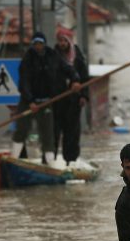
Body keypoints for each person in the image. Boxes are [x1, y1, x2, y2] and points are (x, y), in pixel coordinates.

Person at [12, 31, 83, 165]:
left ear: (44, 44)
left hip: (47, 101)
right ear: (33, 45)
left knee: (48, 134)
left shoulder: (53, 55)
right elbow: (24, 82)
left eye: (40, 43)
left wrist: (75, 80)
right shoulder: (27, 59)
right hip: (28, 102)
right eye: (36, 44)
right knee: (21, 129)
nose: (38, 46)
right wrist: (30, 101)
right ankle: (14, 159)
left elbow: (68, 69)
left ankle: (49, 164)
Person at [52, 28, 90, 167]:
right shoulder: (53, 56)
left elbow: (85, 78)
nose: (62, 43)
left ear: (69, 41)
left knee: (72, 132)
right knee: (54, 132)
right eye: (60, 40)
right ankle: (52, 160)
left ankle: (71, 161)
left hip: (73, 101)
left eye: (64, 40)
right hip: (57, 101)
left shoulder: (78, 57)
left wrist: (84, 95)